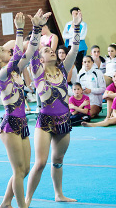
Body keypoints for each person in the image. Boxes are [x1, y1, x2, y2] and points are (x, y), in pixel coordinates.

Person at [0, 10, 50, 208]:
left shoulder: (16, 70)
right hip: (10, 124)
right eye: (3, 50)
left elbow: (29, 52)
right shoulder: (2, 74)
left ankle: (5, 203)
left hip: (21, 123)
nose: (8, 51)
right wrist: (19, 30)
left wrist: (37, 29)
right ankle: (22, 206)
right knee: (18, 170)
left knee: (25, 169)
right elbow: (19, 54)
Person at [25, 10, 82, 206]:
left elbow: (74, 49)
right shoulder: (37, 71)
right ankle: (27, 199)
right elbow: (31, 50)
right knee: (40, 163)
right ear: (40, 58)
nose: (50, 50)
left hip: (64, 120)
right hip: (45, 121)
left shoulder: (62, 69)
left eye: (51, 49)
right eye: (46, 50)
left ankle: (59, 194)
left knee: (58, 159)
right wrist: (37, 28)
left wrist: (76, 26)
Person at [62, 6, 87, 71]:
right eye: (73, 14)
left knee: (78, 64)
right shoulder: (68, 24)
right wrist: (75, 35)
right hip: (69, 46)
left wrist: (71, 35)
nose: (74, 15)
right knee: (69, 63)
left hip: (79, 47)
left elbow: (82, 36)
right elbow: (64, 35)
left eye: (76, 14)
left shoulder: (83, 24)